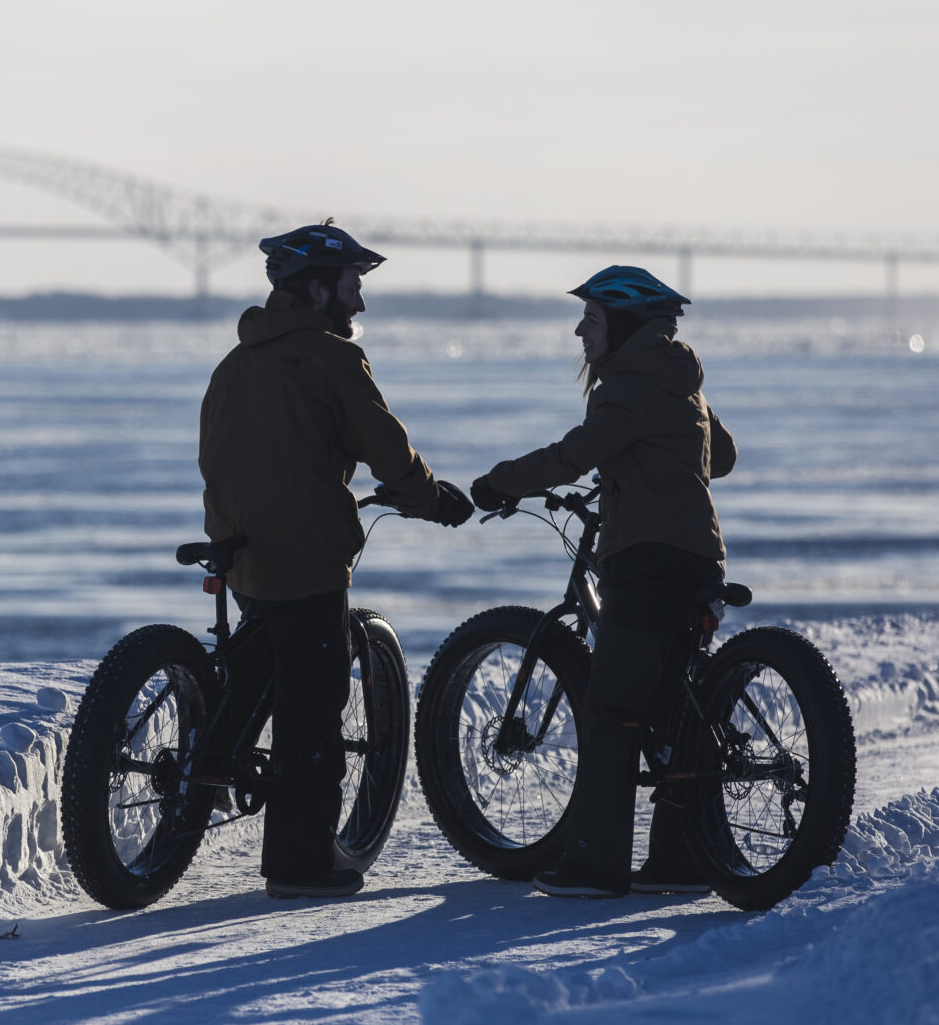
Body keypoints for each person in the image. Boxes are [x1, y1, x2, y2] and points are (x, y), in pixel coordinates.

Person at [199, 221, 473, 900]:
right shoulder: (332, 360)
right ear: (317, 288)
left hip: (244, 556)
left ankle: (201, 771)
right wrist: (433, 499)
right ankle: (300, 865)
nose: (360, 303)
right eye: (353, 286)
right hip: (307, 562)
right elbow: (387, 450)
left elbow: (214, 460)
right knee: (313, 711)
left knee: (259, 669)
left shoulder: (233, 366)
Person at [469, 264, 737, 898]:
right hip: (699, 556)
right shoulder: (680, 379)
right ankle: (679, 861)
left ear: (622, 323)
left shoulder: (625, 383)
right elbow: (718, 458)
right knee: (671, 710)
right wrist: (651, 465)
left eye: (590, 319)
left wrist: (500, 480)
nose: (580, 330)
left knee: (611, 708)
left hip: (642, 559)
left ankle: (593, 865)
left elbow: (575, 453)